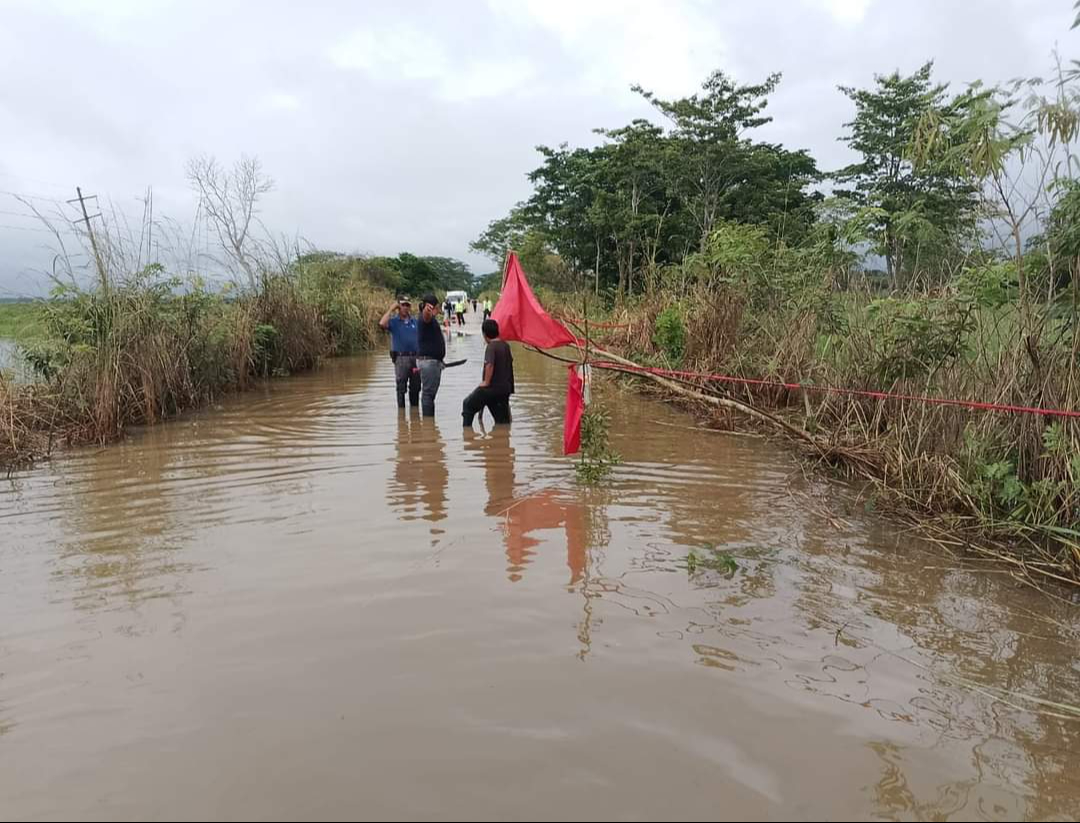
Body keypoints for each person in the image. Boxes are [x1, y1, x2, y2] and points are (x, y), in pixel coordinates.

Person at [462, 318, 514, 427]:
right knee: (502, 422)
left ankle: (467, 434)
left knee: (468, 405)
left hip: (492, 389)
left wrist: (486, 382)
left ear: (485, 334)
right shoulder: (506, 345)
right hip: (505, 389)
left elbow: (489, 364)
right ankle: (503, 440)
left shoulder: (491, 347)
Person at [379, 296, 419, 409]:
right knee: (401, 388)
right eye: (403, 305)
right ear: (398, 307)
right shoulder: (394, 322)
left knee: (416, 388)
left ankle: (415, 415)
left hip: (416, 358)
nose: (405, 307)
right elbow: (382, 323)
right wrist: (391, 309)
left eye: (407, 305)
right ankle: (401, 416)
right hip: (401, 359)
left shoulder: (415, 322)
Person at [416, 294, 446, 417]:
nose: (439, 309)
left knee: (429, 394)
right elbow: (426, 317)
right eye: (437, 307)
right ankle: (428, 424)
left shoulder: (430, 320)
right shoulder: (425, 318)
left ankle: (428, 423)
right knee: (428, 394)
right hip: (429, 362)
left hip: (432, 362)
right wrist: (427, 311)